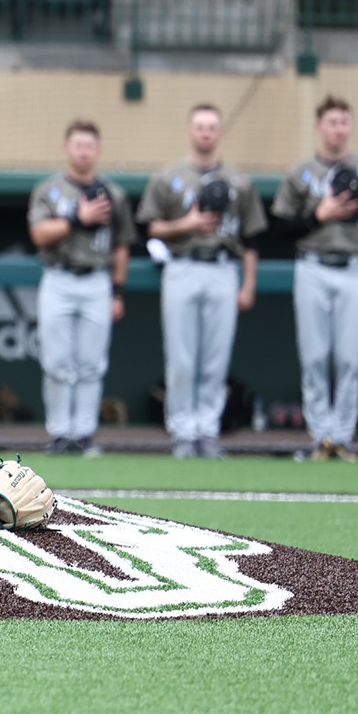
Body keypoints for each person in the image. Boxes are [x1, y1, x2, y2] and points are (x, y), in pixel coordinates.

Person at [136, 103, 266, 459]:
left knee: (215, 357)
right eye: (200, 126)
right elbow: (151, 228)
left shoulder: (238, 181)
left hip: (223, 266)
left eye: (212, 126)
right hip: (182, 265)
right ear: (190, 130)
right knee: (181, 356)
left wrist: (249, 283)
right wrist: (188, 224)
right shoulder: (169, 177)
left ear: (220, 133)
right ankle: (182, 431)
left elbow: (251, 237)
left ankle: (208, 430)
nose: (206, 132)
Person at [269, 96, 358, 463]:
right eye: (332, 121)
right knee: (315, 356)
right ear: (320, 125)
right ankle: (321, 436)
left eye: (344, 122)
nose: (338, 128)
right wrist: (318, 215)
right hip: (313, 265)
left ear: (351, 126)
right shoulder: (302, 172)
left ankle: (343, 437)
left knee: (350, 358)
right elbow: (280, 226)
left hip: (354, 268)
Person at [27, 120, 133, 457]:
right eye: (78, 145)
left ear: (98, 150)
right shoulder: (50, 189)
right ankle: (59, 433)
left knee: (90, 363)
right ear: (66, 148)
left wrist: (117, 291)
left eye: (89, 145)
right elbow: (39, 234)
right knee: (57, 362)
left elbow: (122, 245)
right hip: (58, 276)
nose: (84, 151)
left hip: (97, 281)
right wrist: (77, 217)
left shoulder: (113, 194)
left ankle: (84, 434)